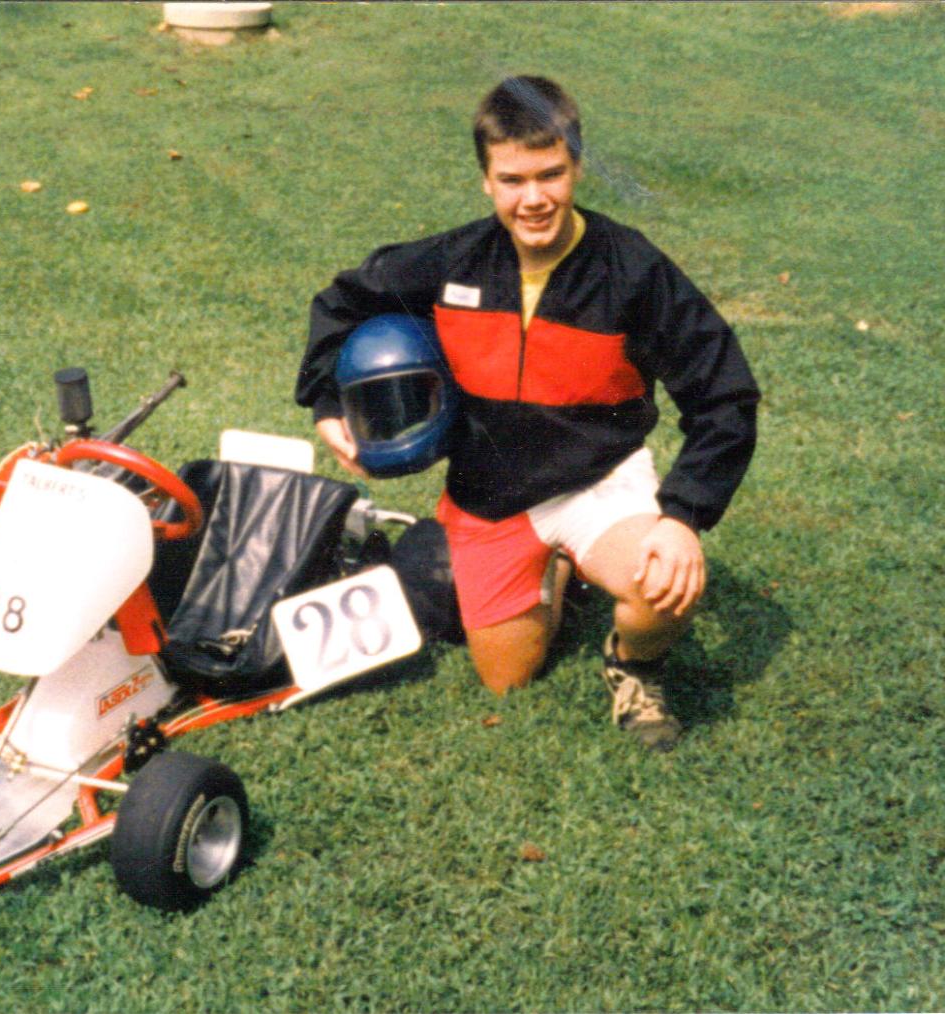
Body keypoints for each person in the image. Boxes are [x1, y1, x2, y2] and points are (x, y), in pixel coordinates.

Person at [295, 76, 759, 750]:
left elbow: (726, 395)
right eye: (512, 180)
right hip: (492, 494)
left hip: (599, 480)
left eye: (551, 175)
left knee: (660, 586)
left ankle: (634, 666)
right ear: (487, 181)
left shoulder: (633, 270)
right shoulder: (454, 261)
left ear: (577, 166)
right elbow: (342, 301)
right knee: (506, 680)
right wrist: (325, 402)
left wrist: (684, 516)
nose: (533, 198)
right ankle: (556, 568)